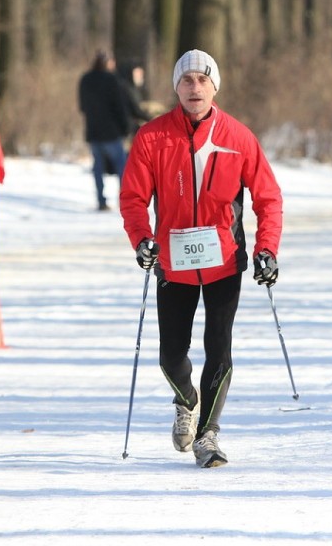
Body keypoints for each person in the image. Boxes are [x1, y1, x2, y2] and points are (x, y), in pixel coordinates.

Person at [119, 49, 283, 468]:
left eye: (202, 80)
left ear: (215, 87)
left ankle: (208, 435)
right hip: (172, 263)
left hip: (224, 262)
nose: (195, 88)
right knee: (170, 355)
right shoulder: (152, 138)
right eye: (186, 81)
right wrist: (142, 239)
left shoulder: (239, 137)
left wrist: (267, 249)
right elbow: (134, 199)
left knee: (219, 349)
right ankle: (186, 400)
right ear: (176, 88)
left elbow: (268, 198)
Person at [78, 50, 131, 211]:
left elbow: (82, 106)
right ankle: (124, 199)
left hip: (93, 131)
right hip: (112, 132)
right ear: (108, 63)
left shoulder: (85, 80)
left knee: (98, 169)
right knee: (121, 167)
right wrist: (125, 127)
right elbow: (119, 107)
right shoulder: (111, 80)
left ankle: (101, 200)